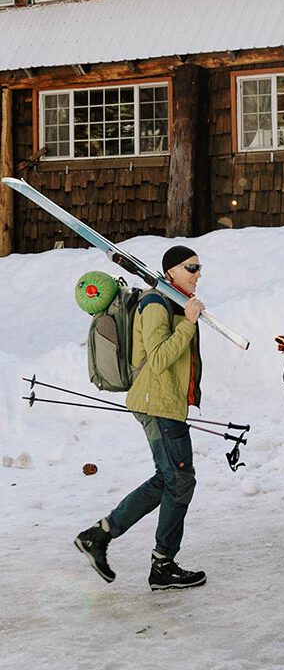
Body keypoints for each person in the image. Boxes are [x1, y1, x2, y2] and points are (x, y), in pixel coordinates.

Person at [75, 245, 207, 591]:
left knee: (169, 479)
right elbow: (160, 357)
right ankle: (161, 565)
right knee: (178, 481)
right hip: (155, 403)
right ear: (171, 272)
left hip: (165, 403)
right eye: (191, 267)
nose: (198, 274)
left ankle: (98, 536)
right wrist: (189, 324)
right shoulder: (154, 303)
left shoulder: (172, 302)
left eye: (199, 268)